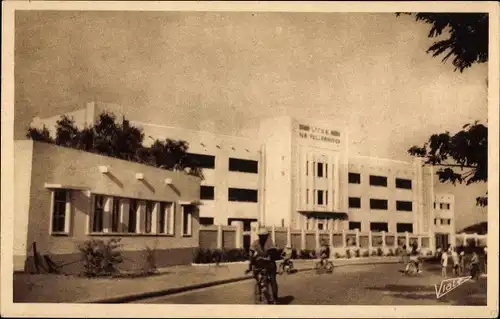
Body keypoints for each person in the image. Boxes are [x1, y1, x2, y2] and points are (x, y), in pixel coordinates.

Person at [246, 228, 279, 303]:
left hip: (269, 264)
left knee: (273, 279)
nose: (262, 237)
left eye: (262, 236)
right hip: (261, 264)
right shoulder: (257, 243)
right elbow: (251, 255)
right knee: (258, 276)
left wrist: (251, 265)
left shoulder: (269, 243)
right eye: (260, 236)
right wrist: (250, 266)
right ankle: (263, 291)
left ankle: (275, 297)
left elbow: (272, 255)